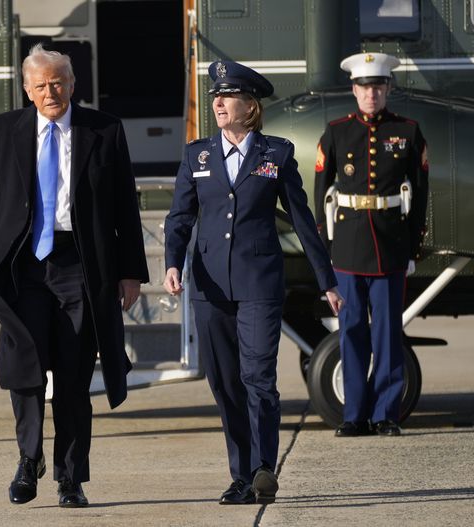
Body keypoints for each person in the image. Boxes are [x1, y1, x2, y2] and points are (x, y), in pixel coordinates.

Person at [0, 43, 149, 508]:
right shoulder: (3, 130)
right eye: (42, 84)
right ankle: (29, 462)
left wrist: (130, 271)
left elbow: (125, 206)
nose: (52, 91)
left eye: (59, 82)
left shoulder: (103, 130)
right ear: (27, 90)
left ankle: (71, 478)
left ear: (72, 84)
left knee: (72, 376)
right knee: (25, 370)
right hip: (22, 266)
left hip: (79, 266)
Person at [163, 61, 342, 505]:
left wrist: (328, 281)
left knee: (257, 376)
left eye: (228, 97)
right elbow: (180, 217)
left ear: (250, 107)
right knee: (225, 383)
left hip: (259, 284)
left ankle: (263, 468)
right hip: (210, 288)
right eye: (215, 97)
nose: (218, 103)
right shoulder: (197, 155)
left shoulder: (275, 154)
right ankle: (240, 475)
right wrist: (172, 263)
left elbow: (303, 221)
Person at [314, 52, 429, 437]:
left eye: (378, 87)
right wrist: (325, 246)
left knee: (387, 334)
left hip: (391, 245)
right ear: (354, 90)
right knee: (351, 332)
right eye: (365, 88)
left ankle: (386, 415)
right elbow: (320, 192)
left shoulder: (409, 132)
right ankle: (354, 415)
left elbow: (421, 194)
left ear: (387, 89)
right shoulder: (336, 132)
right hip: (347, 247)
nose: (371, 95)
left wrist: (413, 246)